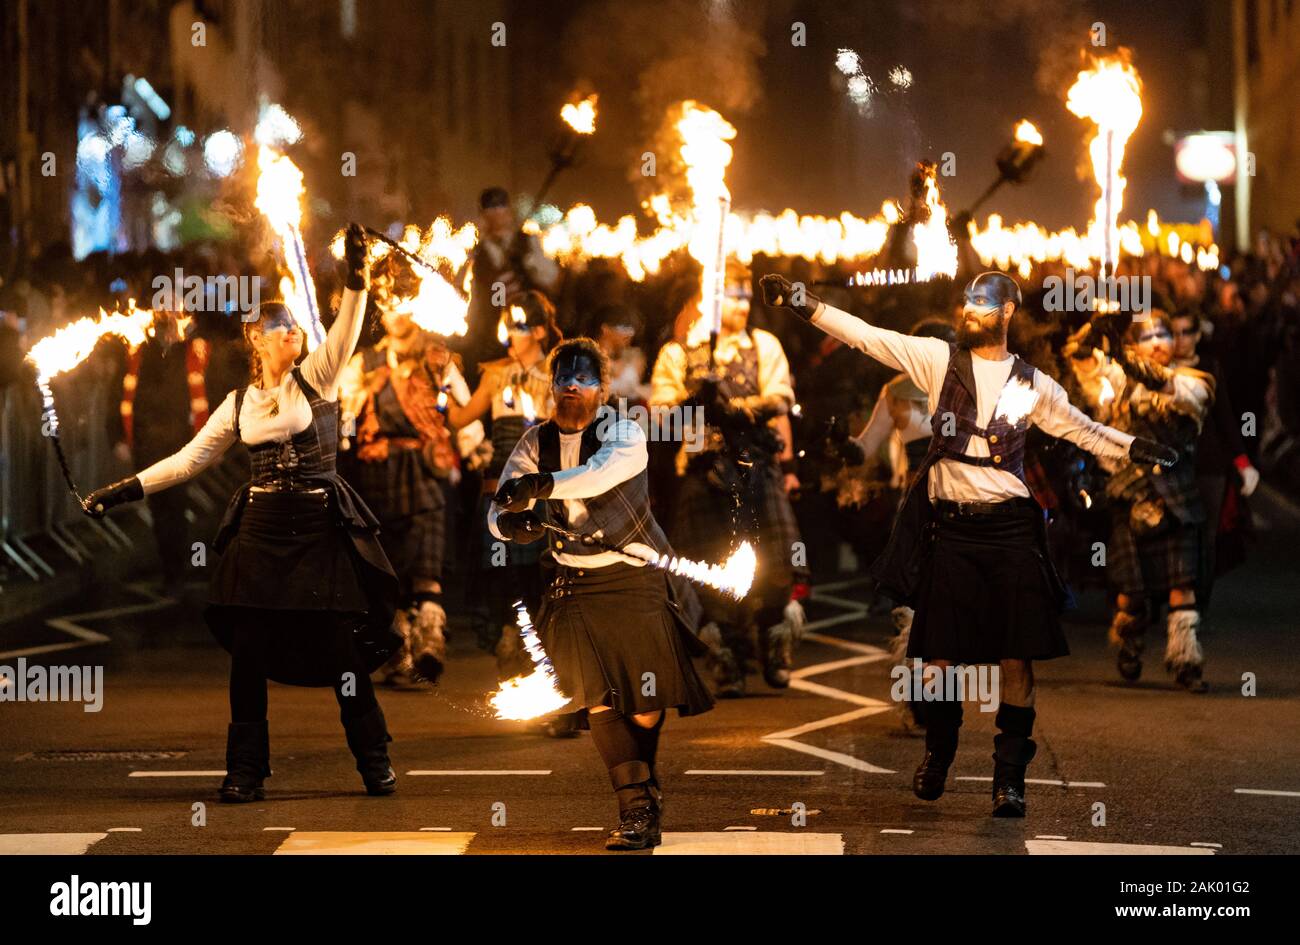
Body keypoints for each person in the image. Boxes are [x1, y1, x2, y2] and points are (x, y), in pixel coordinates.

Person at [761, 270, 1174, 817]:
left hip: (1009, 531)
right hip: (950, 530)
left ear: (1005, 313)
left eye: (982, 302)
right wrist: (802, 302)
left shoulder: (1033, 384)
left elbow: (1082, 429)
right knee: (938, 660)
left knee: (1016, 658)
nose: (970, 308)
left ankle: (1009, 780)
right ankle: (939, 752)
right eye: (967, 300)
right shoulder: (937, 359)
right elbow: (865, 334)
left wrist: (1137, 448)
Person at [83, 224, 402, 802]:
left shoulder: (317, 377)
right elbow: (186, 462)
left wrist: (358, 272)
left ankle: (374, 760)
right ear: (257, 338)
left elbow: (348, 327)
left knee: (340, 652)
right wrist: (122, 490)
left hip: (317, 533)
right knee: (248, 653)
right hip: (260, 537)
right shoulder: (238, 405)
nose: (295, 333)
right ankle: (246, 772)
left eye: (296, 327)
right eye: (283, 328)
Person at [488, 338, 714, 850]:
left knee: (644, 706)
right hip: (576, 584)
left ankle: (644, 786)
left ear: (602, 387)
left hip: (633, 579)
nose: (572, 385)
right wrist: (508, 528)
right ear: (550, 385)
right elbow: (498, 507)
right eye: (563, 377)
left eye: (583, 378)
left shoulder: (624, 432)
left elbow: (596, 476)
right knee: (597, 700)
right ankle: (635, 807)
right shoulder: (532, 442)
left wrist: (540, 488)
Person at [650, 272, 807, 697]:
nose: (740, 305)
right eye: (730, 296)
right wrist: (694, 399)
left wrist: (734, 407)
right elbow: (661, 413)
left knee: (777, 565)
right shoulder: (678, 353)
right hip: (704, 469)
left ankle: (774, 643)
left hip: (758, 465)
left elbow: (781, 398)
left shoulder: (764, 345)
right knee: (709, 570)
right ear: (709, 300)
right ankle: (728, 658)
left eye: (744, 296)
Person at [1065, 309, 1216, 691]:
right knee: (1130, 593)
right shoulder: (1117, 378)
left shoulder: (1193, 382)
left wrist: (1118, 351)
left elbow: (1158, 382)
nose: (1157, 343)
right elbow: (1082, 362)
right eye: (1146, 337)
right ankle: (1129, 643)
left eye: (1163, 335)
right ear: (1135, 344)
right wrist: (1094, 330)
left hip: (1175, 496)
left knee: (1184, 584)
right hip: (1128, 495)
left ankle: (1186, 660)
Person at [338, 256, 468, 686]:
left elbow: (464, 414)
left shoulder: (439, 361)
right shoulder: (365, 364)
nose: (396, 314)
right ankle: (399, 653)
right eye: (389, 305)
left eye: (403, 304)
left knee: (426, 567)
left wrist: (474, 448)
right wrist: (360, 401)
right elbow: (345, 424)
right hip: (378, 473)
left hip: (425, 471)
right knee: (389, 571)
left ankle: (431, 643)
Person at [446, 290, 559, 677]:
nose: (512, 331)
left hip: (542, 492)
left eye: (522, 325)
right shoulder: (495, 374)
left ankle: (540, 653)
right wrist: (445, 384)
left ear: (541, 331)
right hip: (499, 489)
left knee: (537, 577)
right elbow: (459, 419)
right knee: (501, 573)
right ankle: (510, 643)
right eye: (509, 323)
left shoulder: (558, 374)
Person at [1169, 308, 1260, 605]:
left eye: (1186, 332)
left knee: (1206, 535)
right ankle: (1175, 594)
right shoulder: (1161, 368)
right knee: (1175, 531)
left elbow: (1226, 417)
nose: (1181, 340)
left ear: (1196, 336)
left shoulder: (1210, 368)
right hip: (1173, 462)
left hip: (1209, 463)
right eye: (1175, 333)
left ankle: (1200, 599)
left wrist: (1242, 461)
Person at [460, 187, 560, 381]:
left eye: (500, 209)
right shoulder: (479, 252)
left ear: (508, 211)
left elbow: (550, 277)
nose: (497, 216)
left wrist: (527, 261)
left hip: (532, 326)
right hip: (495, 329)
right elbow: (474, 292)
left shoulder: (527, 242)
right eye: (491, 210)